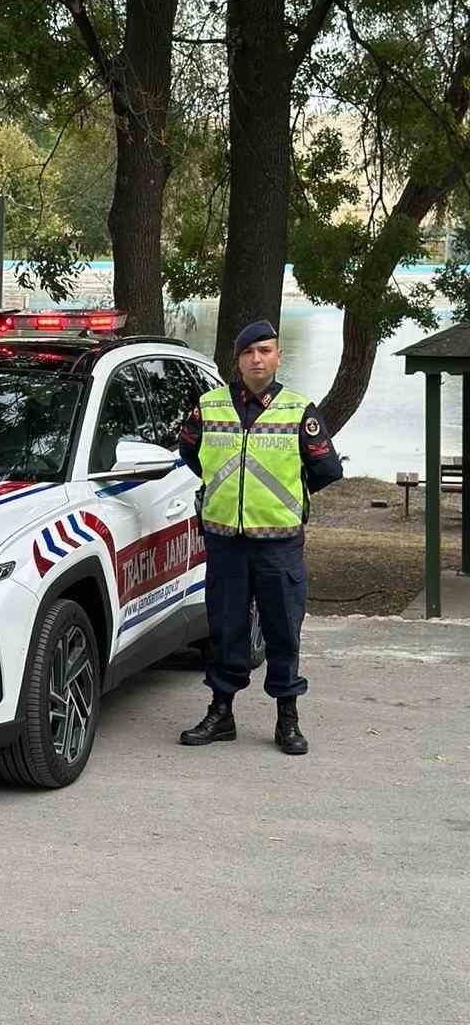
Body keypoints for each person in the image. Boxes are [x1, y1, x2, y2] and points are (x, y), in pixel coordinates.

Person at [177, 319, 342, 755]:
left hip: (279, 544)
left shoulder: (297, 409)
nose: (257, 359)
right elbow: (190, 453)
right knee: (226, 627)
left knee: (282, 629)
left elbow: (326, 470)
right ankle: (221, 713)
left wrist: (285, 499)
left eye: (265, 351)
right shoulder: (210, 406)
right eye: (249, 352)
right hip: (225, 540)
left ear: (278, 357)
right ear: (238, 359)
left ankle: (287, 718)